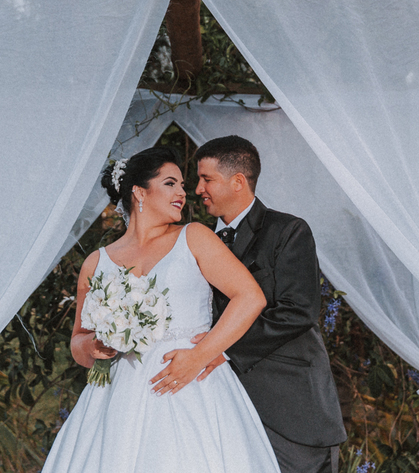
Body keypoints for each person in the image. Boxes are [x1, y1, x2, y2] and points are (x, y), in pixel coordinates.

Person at [41, 146, 281, 473]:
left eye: (183, 185)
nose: (183, 192)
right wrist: (97, 345)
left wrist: (199, 356)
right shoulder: (96, 263)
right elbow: (77, 344)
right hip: (119, 395)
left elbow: (250, 297)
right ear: (140, 192)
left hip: (190, 384)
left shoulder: (194, 237)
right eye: (171, 183)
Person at [192, 135, 347, 473]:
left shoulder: (288, 231)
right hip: (219, 403)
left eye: (207, 179)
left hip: (291, 409)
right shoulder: (197, 240)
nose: (198, 188)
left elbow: (297, 311)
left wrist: (221, 348)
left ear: (237, 182)